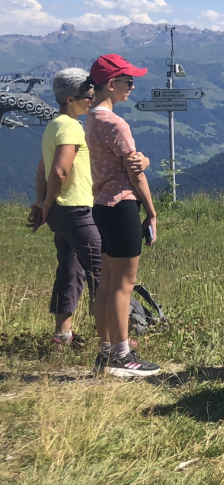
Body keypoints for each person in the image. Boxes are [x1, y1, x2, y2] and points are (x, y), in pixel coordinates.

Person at [26, 68, 146, 350]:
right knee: (104, 274)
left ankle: (62, 333)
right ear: (70, 99)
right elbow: (58, 170)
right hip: (77, 208)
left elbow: (42, 167)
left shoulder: (53, 125)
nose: (91, 101)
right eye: (87, 96)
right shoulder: (71, 127)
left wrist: (44, 203)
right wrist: (49, 201)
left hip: (61, 210)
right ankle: (119, 339)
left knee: (69, 267)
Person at [86, 54, 160, 377]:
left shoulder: (91, 119)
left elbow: (129, 162)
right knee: (124, 284)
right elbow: (135, 174)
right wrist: (153, 212)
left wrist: (139, 160)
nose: (132, 86)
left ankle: (105, 352)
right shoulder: (117, 124)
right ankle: (123, 356)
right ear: (111, 84)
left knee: (106, 282)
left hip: (101, 205)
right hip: (123, 206)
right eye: (128, 81)